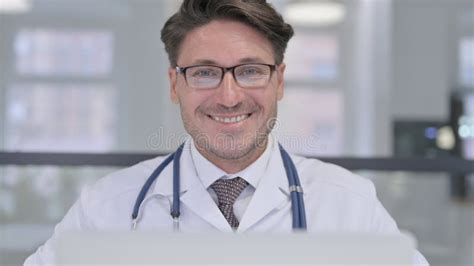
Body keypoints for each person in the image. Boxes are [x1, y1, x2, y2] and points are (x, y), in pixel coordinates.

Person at [25, 0, 429, 265]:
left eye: (250, 70)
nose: (229, 96)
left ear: (280, 81)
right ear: (173, 84)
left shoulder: (351, 206)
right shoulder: (107, 208)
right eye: (204, 73)